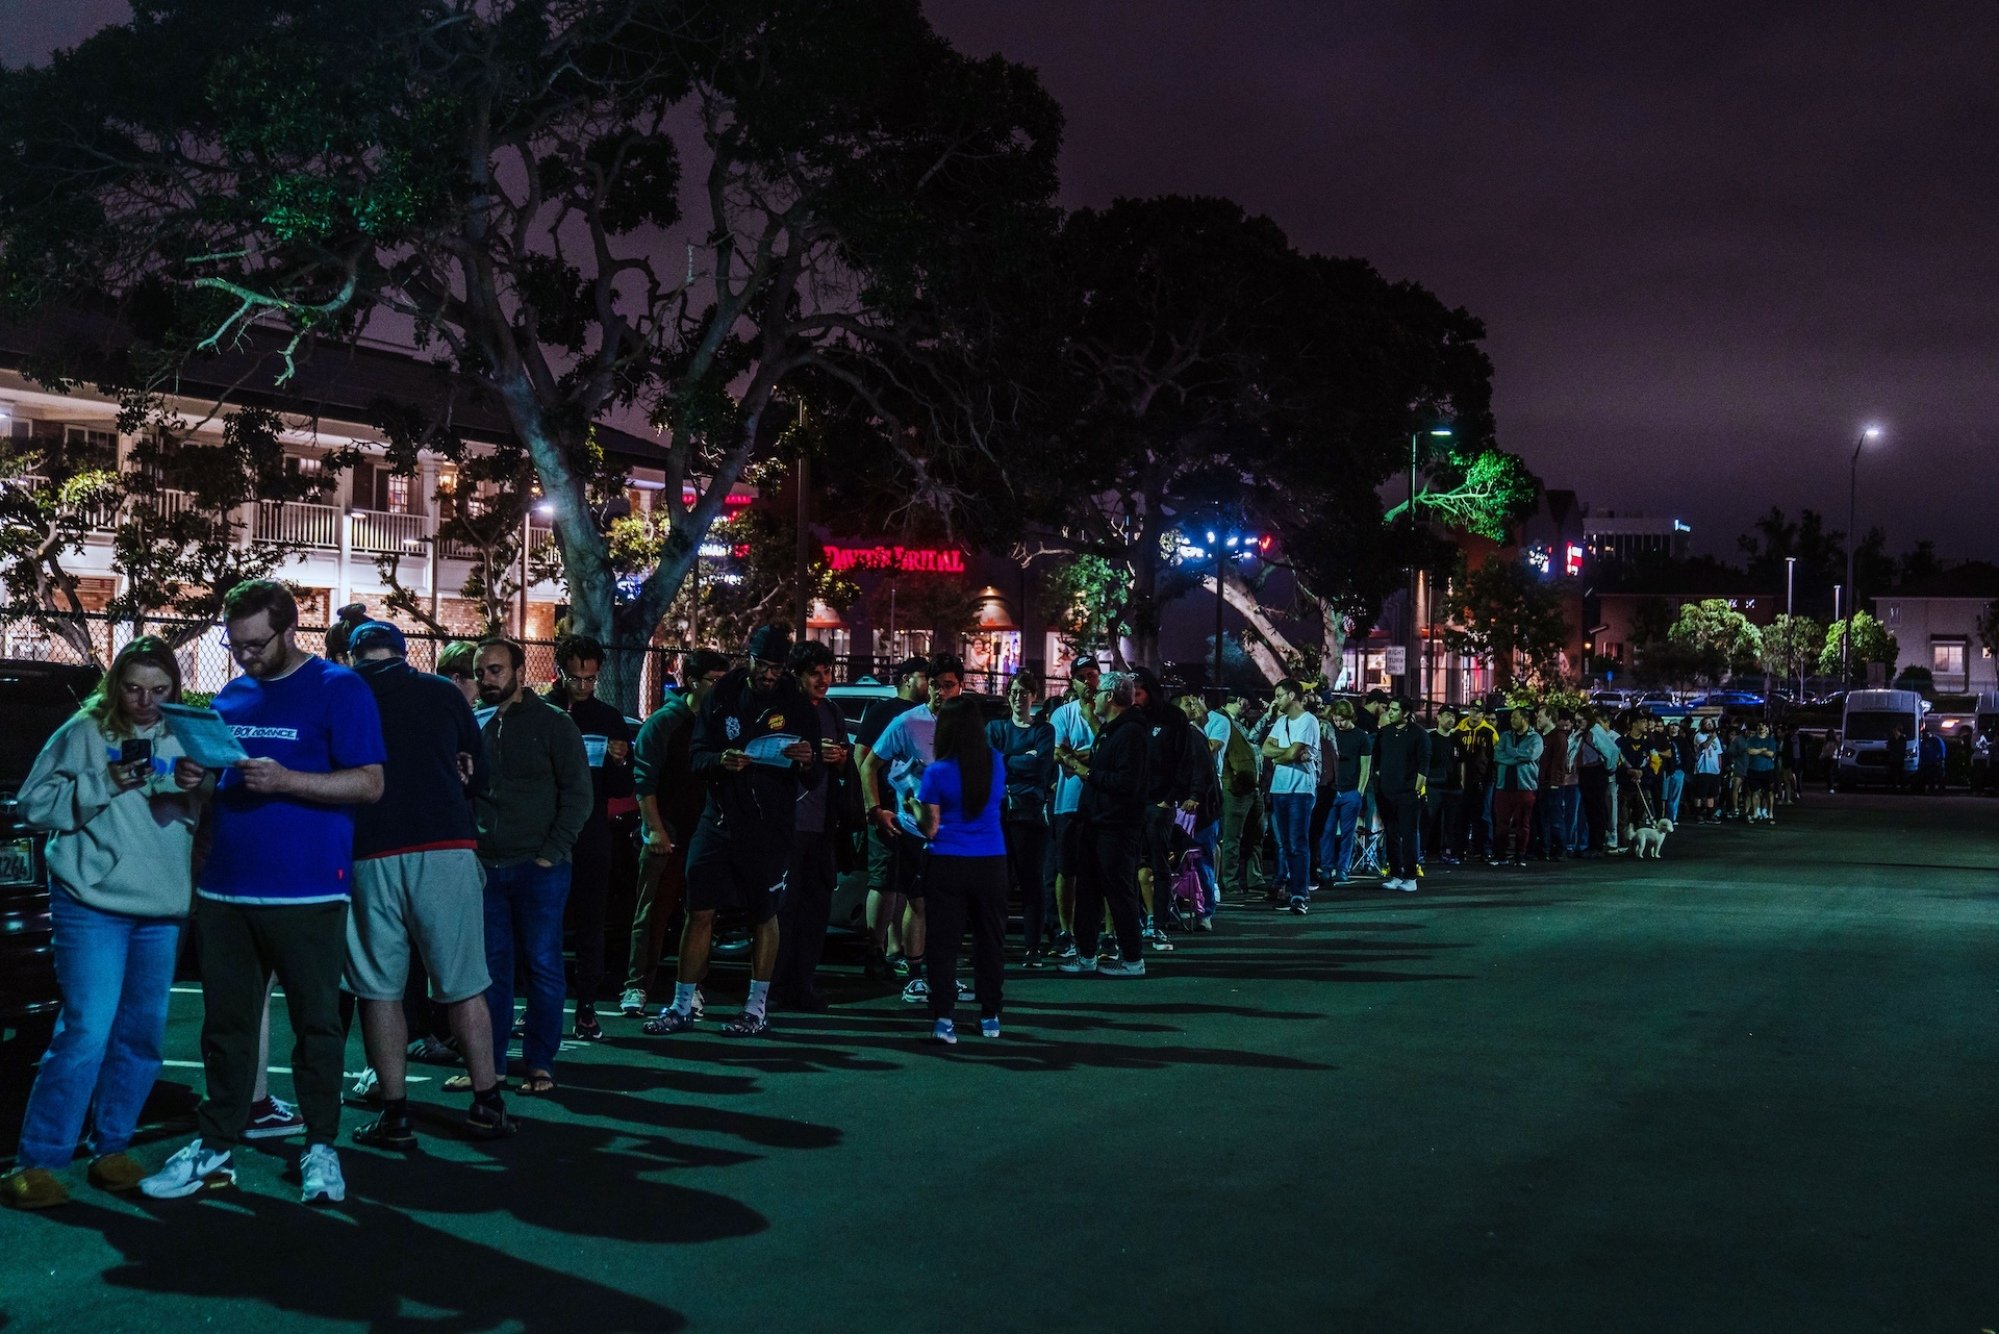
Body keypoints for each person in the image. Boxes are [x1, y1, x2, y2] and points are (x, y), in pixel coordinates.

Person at [141, 580, 386, 1205]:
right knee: (226, 1026)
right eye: (236, 644)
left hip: (308, 891)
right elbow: (211, 790)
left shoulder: (340, 688)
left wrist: (288, 780)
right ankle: (215, 1143)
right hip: (226, 889)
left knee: (317, 1026)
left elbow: (369, 784)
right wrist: (195, 778)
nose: (244, 655)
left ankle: (322, 1148)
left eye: (255, 644)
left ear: (287, 630)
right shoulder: (232, 694)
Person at [3, 639, 212, 1210]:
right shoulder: (83, 730)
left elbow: (213, 808)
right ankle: (39, 1160)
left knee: (141, 1034)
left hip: (162, 907)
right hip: (91, 901)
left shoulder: (187, 732)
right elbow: (33, 805)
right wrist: (104, 784)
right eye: (134, 687)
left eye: (159, 689)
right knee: (87, 1031)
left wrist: (203, 785)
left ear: (174, 687)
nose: (146, 701)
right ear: (116, 683)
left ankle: (112, 1147)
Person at [339, 620, 516, 1147]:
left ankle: (395, 1113)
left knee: (379, 989)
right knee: (464, 982)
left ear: (355, 657)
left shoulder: (343, 694)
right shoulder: (440, 691)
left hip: (371, 849)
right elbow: (477, 773)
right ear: (402, 652)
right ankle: (486, 1102)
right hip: (445, 846)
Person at [644, 626, 819, 1037]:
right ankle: (681, 1005)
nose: (771, 675)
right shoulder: (723, 696)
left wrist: (808, 760)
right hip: (719, 819)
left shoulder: (795, 702)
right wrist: (721, 759)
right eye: (765, 665)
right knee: (699, 910)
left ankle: (756, 1008)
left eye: (779, 668)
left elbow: (813, 776)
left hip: (769, 826)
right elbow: (696, 756)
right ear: (749, 657)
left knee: (764, 914)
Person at [471, 638, 592, 1094]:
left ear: (520, 672)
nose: (487, 679)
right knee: (491, 970)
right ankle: (493, 1066)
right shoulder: (475, 722)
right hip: (486, 866)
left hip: (537, 865)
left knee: (542, 965)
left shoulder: (554, 725)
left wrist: (552, 851)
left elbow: (579, 793)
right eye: (482, 671)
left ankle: (540, 1062)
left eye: (496, 670)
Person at [622, 649, 731, 1016]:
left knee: (700, 915)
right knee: (651, 913)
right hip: (667, 830)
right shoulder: (664, 723)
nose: (719, 689)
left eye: (723, 682)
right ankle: (637, 986)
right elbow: (644, 783)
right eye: (713, 682)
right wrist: (654, 830)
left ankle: (692, 988)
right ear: (692, 682)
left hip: (706, 832)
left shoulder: (720, 724)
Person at [542, 634, 634, 1042]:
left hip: (591, 831)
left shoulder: (608, 716)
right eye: (575, 678)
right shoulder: (541, 711)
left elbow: (619, 786)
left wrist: (619, 759)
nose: (582, 686)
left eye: (590, 679)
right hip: (544, 832)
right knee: (540, 921)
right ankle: (539, 1006)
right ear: (557, 672)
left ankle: (586, 1008)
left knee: (590, 923)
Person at [862, 653, 968, 1003]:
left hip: (954, 830)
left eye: (948, 685)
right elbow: (868, 765)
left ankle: (945, 974)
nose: (940, 692)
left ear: (961, 687)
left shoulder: (968, 723)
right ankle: (916, 975)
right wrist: (876, 809)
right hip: (914, 828)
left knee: (949, 906)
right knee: (919, 902)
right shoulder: (907, 722)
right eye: (935, 685)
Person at [915, 698, 1010, 1040]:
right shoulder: (996, 763)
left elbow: (930, 828)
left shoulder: (936, 772)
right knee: (990, 942)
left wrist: (913, 803)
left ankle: (944, 1019)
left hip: (948, 861)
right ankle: (990, 1017)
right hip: (991, 860)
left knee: (944, 945)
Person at [771, 640, 858, 1012]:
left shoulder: (833, 712)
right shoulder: (781, 709)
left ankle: (804, 982)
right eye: (815, 674)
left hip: (823, 825)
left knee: (815, 909)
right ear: (797, 675)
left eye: (828, 673)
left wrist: (840, 759)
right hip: (787, 822)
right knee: (781, 909)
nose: (823, 680)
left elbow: (844, 760)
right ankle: (773, 986)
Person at [1060, 671, 1151, 973]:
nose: (1093, 697)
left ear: (1110, 697)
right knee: (1088, 891)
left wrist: (1083, 770)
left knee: (1119, 890)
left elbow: (1126, 781)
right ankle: (1087, 955)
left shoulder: (1131, 732)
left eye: (1098, 693)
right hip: (1096, 822)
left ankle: (1133, 958)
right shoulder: (1112, 730)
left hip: (1117, 825)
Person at [852, 656, 929, 979]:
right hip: (886, 809)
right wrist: (873, 806)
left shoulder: (929, 716)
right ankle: (874, 951)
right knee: (883, 882)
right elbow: (862, 756)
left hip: (916, 816)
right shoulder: (885, 712)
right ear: (908, 678)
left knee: (907, 886)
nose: (930, 685)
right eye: (926, 677)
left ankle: (898, 950)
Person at [989, 671, 1058, 964]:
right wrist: (1022, 758)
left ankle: (1032, 947)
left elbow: (1041, 766)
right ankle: (995, 944)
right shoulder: (995, 727)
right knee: (997, 884)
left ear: (1034, 696)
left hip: (1029, 815)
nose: (1019, 697)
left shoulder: (1043, 731)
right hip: (999, 814)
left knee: (1031, 882)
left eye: (1025, 691)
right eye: (1015, 691)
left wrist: (1008, 759)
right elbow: (991, 765)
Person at [1046, 657, 1101, 958]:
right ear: (1073, 682)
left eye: (1092, 675)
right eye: (1081, 677)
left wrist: (1080, 754)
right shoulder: (1063, 714)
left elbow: (1107, 750)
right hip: (1068, 803)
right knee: (1066, 870)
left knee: (1102, 870)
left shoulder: (1109, 712)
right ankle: (1066, 931)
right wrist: (1082, 761)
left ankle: (1105, 933)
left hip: (1103, 804)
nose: (1088, 682)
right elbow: (1056, 750)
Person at [1260, 678, 1320, 915]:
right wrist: (1285, 754)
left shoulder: (1308, 721)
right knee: (1283, 844)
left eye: (1279, 695)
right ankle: (1287, 887)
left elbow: (1294, 752)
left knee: (1297, 843)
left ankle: (1299, 893)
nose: (1276, 700)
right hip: (1279, 789)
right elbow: (1266, 748)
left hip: (1300, 791)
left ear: (1292, 696)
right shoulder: (1281, 721)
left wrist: (1283, 755)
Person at [1372, 697, 1429, 890]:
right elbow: (1377, 760)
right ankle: (1395, 874)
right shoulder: (1385, 733)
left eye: (1395, 710)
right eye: (1389, 709)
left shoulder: (1418, 734)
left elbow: (1424, 764)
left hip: (1408, 794)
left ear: (1405, 713)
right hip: (1386, 793)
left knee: (1409, 834)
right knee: (1391, 834)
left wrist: (1416, 789)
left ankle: (1411, 877)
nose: (1390, 712)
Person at [1314, 700, 1370, 886]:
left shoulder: (1361, 737)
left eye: (1342, 720)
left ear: (1350, 717)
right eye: (1336, 720)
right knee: (1327, 831)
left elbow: (1365, 766)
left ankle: (1342, 868)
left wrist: (1359, 791)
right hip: (1331, 789)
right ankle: (1327, 868)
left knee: (1347, 833)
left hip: (1350, 791)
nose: (1338, 724)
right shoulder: (1330, 734)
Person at [1491, 707, 1544, 866]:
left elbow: (1531, 755)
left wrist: (1510, 753)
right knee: (1501, 822)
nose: (1511, 720)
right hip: (1504, 786)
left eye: (1515, 717)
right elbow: (1497, 755)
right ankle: (1500, 855)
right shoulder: (1506, 736)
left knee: (1523, 823)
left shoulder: (1535, 738)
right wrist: (1518, 756)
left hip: (1525, 787)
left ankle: (1519, 855)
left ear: (1525, 719)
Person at [1422, 706, 1462, 865]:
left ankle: (1447, 851)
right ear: (1438, 717)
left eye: (1453, 717)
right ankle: (1423, 850)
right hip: (1433, 786)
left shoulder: (1456, 739)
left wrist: (1462, 783)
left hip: (1453, 787)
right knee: (1428, 819)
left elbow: (1461, 762)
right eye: (1447, 716)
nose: (1451, 719)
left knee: (1451, 822)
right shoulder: (1430, 738)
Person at [1742, 720, 1779, 823]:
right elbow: (1749, 751)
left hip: (1767, 770)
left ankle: (1770, 813)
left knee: (1769, 792)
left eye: (1763, 725)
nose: (1761, 727)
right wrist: (1762, 750)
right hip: (1753, 769)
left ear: (1767, 728)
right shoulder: (1751, 739)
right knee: (1754, 791)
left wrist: (1757, 751)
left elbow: (1771, 754)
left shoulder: (1771, 740)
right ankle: (1755, 813)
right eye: (1759, 725)